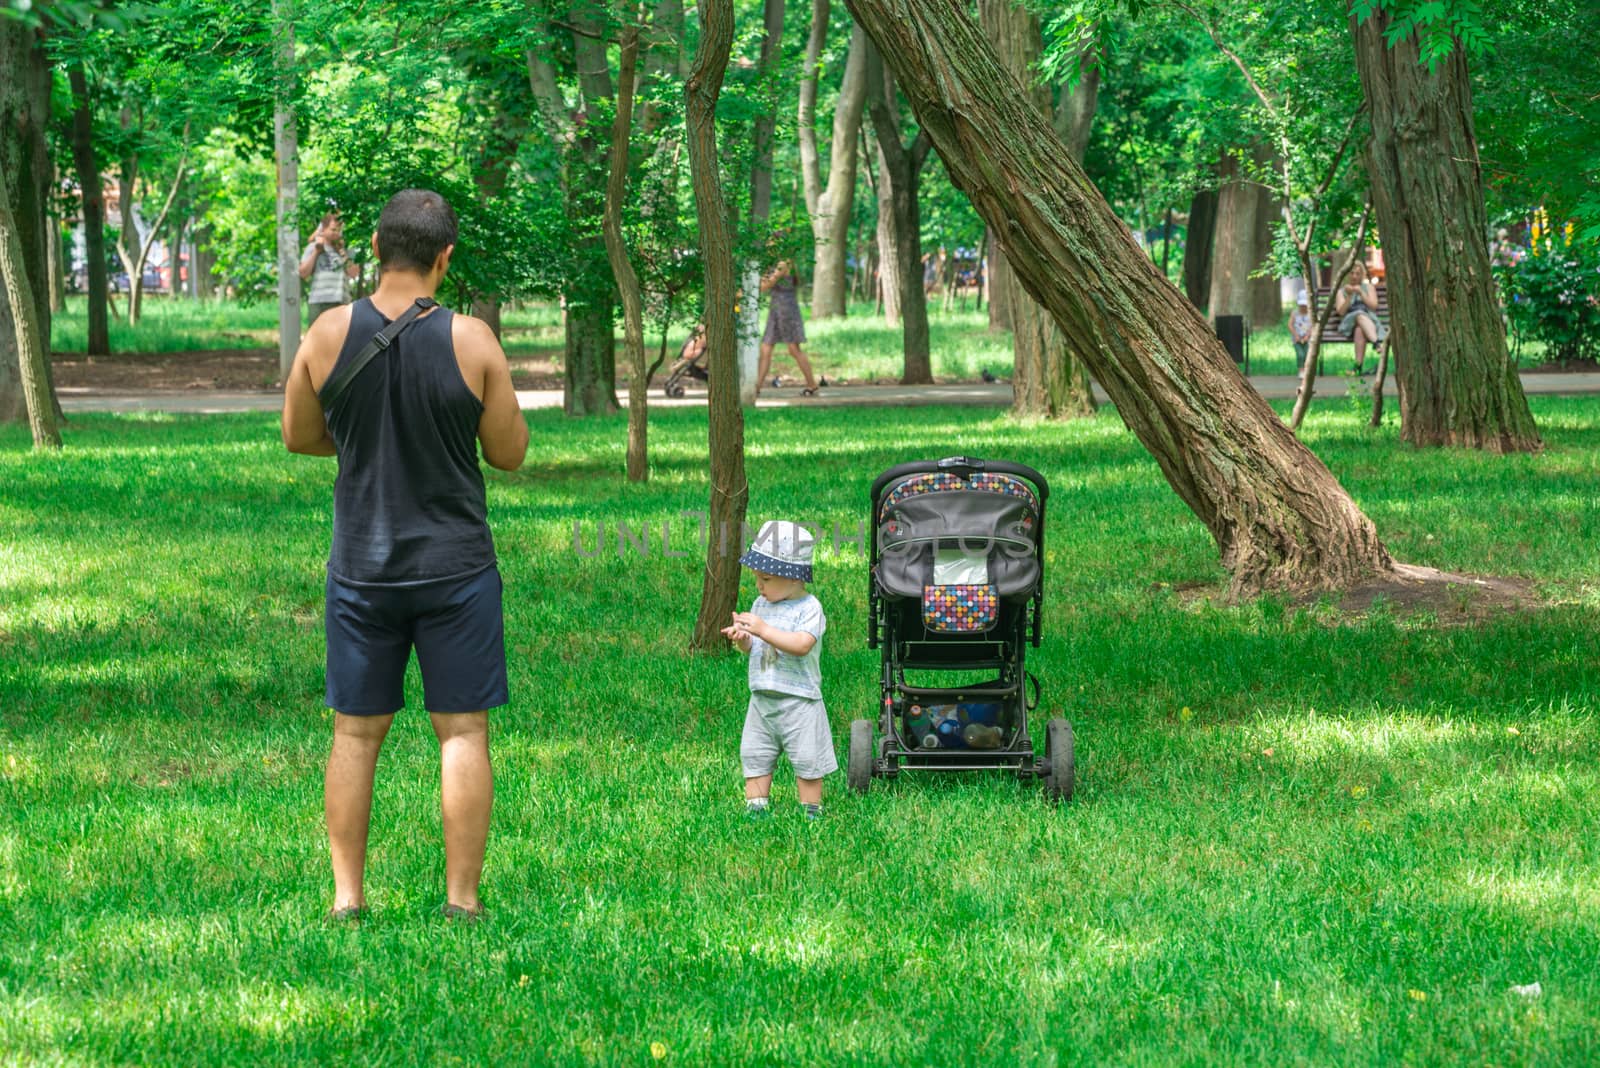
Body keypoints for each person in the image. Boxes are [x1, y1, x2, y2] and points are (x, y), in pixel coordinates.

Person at [281, 189, 530, 922]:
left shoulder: (326, 334)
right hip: (457, 569)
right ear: (443, 258)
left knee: (355, 734)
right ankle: (462, 900)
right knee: (462, 730)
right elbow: (509, 453)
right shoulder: (473, 339)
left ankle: (347, 899)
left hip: (362, 569)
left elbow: (297, 435)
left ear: (378, 247)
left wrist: (361, 442)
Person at [722, 520, 835, 820]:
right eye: (757, 578)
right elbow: (757, 648)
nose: (759, 585)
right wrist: (744, 639)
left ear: (794, 576)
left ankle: (811, 810)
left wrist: (763, 629)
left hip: (800, 701)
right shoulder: (761, 605)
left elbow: (800, 645)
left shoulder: (809, 609)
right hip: (762, 700)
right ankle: (757, 807)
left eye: (767, 578)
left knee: (807, 758)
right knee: (755, 753)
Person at [756, 259, 820, 397]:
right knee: (766, 348)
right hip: (775, 310)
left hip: (786, 310)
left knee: (793, 349)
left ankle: (812, 384)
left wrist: (744, 291)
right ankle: (756, 387)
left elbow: (767, 284)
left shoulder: (783, 264)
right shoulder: (772, 264)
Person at [299, 213, 361, 326]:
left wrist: (342, 252)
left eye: (339, 230)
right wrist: (317, 251)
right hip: (318, 301)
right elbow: (303, 273)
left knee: (340, 341)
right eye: (333, 229)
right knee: (317, 340)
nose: (337, 233)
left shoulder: (348, 249)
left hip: (341, 301)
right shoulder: (312, 248)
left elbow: (354, 273)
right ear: (323, 229)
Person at [1335, 260, 1385, 373]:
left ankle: (1357, 368)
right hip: (1348, 323)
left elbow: (1373, 306)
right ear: (1347, 274)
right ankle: (1377, 343)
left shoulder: (1369, 288)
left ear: (1362, 275)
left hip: (1369, 322)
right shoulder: (1341, 291)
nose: (1354, 276)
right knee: (1358, 315)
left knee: (1359, 330)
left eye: (1358, 273)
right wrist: (1350, 295)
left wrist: (1362, 293)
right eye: (1352, 273)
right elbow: (1341, 312)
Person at [1290, 290, 1314, 370]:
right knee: (1300, 354)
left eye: (1305, 305)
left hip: (1307, 339)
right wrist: (1295, 335)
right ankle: (1301, 370)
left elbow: (1312, 326)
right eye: (1301, 305)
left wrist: (1308, 336)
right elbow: (1290, 324)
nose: (1303, 307)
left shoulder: (1310, 314)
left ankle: (1307, 370)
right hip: (1297, 339)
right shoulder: (1295, 313)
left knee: (1307, 354)